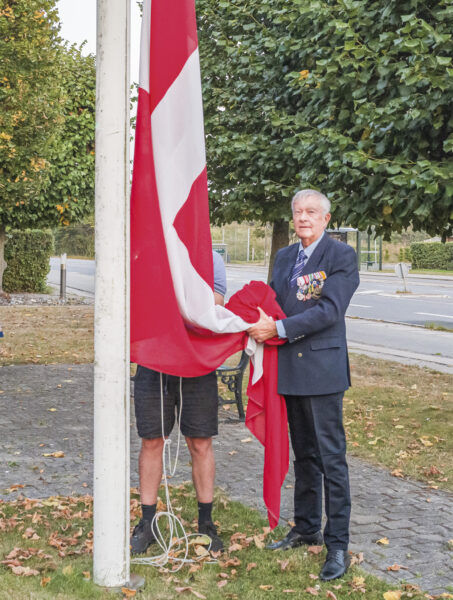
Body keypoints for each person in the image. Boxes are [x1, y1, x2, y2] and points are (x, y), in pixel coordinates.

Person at [247, 189, 359, 581]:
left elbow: (330, 310)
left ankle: (338, 543)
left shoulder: (340, 257)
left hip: (323, 371)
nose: (303, 218)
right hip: (289, 371)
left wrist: (277, 328)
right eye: (298, 212)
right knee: (305, 456)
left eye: (311, 212)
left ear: (326, 219)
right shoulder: (283, 257)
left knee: (331, 459)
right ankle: (306, 526)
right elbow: (272, 301)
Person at [130, 250, 227, 555]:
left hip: (196, 364)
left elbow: (213, 307)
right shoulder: (152, 254)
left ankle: (206, 522)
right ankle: (147, 523)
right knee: (151, 440)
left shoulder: (211, 259)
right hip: (153, 361)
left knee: (200, 442)